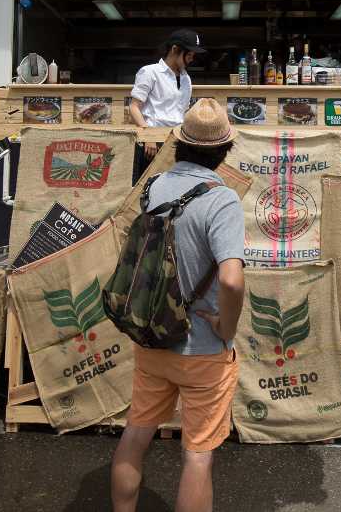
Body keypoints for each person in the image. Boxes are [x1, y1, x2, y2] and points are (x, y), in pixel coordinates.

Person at [111, 99, 245, 512]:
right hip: (202, 348)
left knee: (136, 434)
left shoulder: (155, 187)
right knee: (198, 455)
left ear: (180, 143)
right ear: (224, 149)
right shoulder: (221, 201)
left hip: (152, 336)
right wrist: (226, 327)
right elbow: (230, 278)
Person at [129, 29, 205, 160]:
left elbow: (183, 111)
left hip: (178, 142)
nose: (192, 59)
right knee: (150, 180)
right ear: (174, 49)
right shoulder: (149, 72)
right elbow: (134, 107)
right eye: (189, 55)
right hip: (152, 144)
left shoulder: (186, 79)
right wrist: (149, 136)